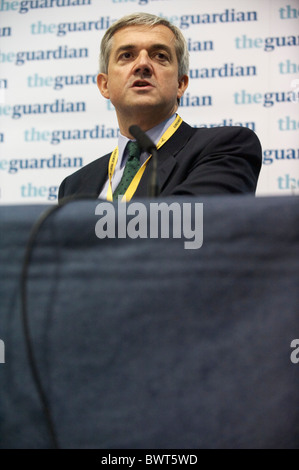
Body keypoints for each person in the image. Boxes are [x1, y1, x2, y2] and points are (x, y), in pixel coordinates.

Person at [58, 12, 262, 202]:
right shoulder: (74, 186)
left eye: (160, 56)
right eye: (127, 55)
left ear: (180, 84)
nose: (143, 64)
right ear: (105, 85)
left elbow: (191, 227)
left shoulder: (227, 148)